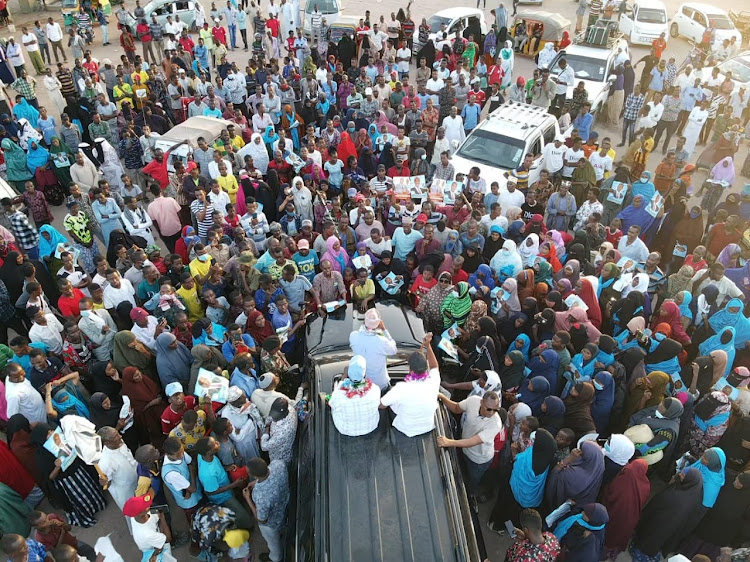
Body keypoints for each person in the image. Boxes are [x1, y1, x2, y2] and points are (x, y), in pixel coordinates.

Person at [437, 390, 504, 496]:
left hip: (478, 460)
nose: (492, 413)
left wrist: (449, 442)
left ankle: (471, 495)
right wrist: (443, 398)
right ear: (482, 402)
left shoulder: (495, 424)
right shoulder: (473, 401)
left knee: (473, 480)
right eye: (489, 409)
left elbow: (473, 442)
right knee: (463, 470)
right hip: (465, 449)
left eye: (496, 410)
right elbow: (456, 408)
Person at [242, 456, 289, 562]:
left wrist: (248, 499)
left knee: (274, 544)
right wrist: (257, 482)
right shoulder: (278, 464)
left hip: (272, 523)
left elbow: (262, 519)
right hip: (284, 506)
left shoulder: (261, 496)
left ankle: (275, 559)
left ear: (253, 475)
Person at [328, 355, 381, 436]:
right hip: (371, 427)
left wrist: (344, 376)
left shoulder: (339, 394)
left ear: (349, 372)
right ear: (364, 373)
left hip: (345, 429)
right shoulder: (375, 389)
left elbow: (331, 402)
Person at [349, 308, 398, 391]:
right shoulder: (382, 341)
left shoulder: (353, 336)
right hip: (380, 385)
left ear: (364, 321)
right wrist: (384, 330)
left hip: (362, 386)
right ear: (379, 323)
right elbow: (394, 350)